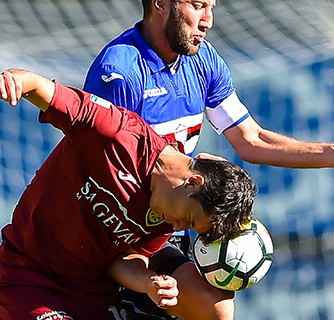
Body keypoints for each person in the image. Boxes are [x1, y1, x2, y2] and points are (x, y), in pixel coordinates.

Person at [83, 0, 334, 320]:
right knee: (215, 308)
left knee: (219, 301)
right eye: (198, 6)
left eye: (211, 8)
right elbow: (100, 178)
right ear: (160, 4)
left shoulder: (202, 61)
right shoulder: (119, 73)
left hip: (172, 222)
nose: (208, 20)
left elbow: (251, 139)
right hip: (120, 231)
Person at [0, 68, 256, 320]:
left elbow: (124, 259)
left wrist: (149, 282)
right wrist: (18, 81)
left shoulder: (166, 214)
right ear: (193, 182)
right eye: (188, 219)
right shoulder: (117, 134)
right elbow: (42, 89)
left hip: (92, 295)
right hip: (28, 276)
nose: (177, 227)